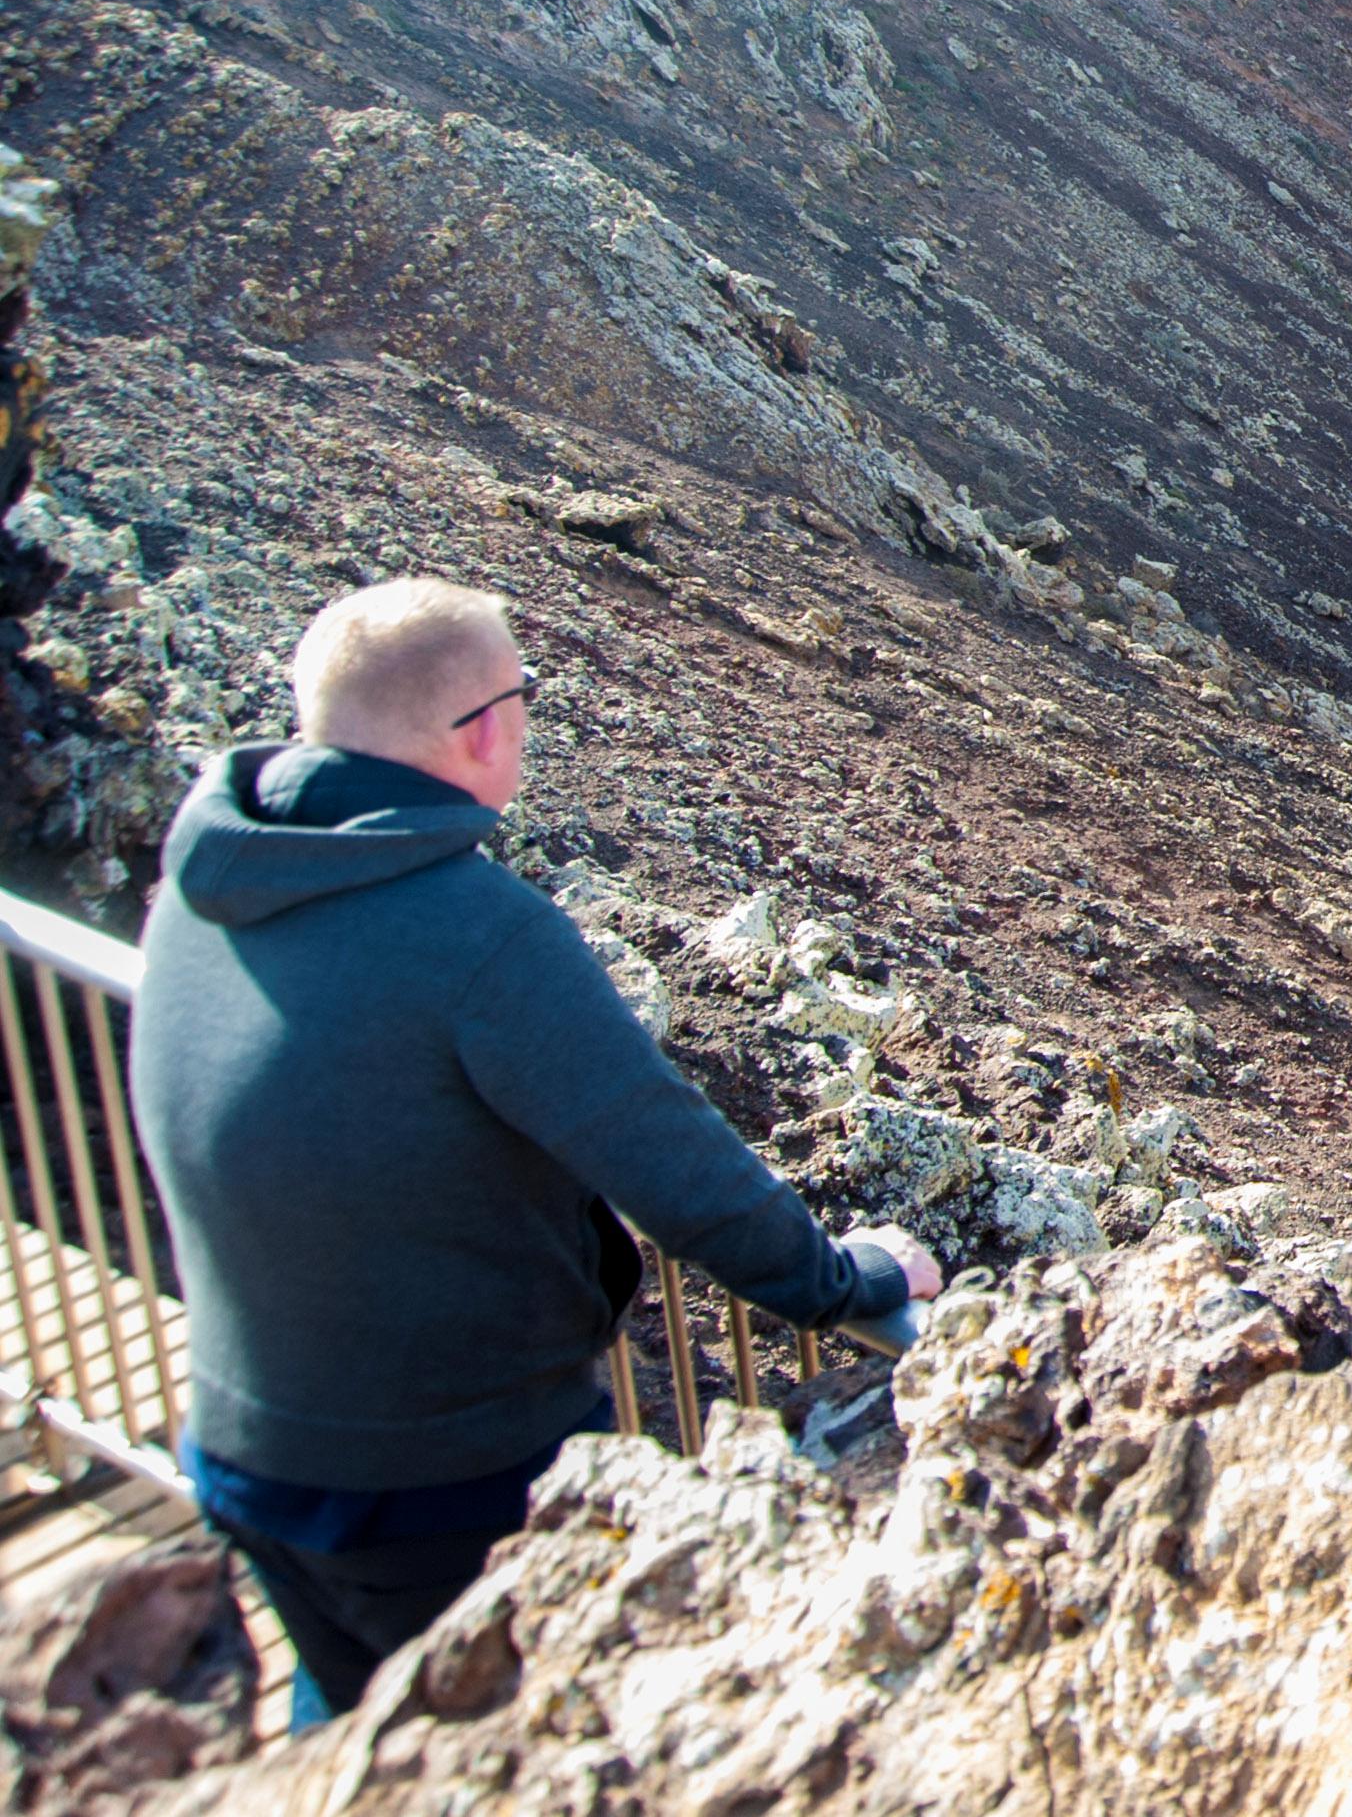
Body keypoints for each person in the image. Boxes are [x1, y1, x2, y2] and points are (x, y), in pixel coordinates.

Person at [131, 577, 941, 1723]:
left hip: (241, 1441)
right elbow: (676, 1167)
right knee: (492, 1745)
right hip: (442, 1482)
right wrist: (846, 1283)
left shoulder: (208, 879)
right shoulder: (474, 932)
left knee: (353, 1727)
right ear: (483, 730)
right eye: (524, 696)